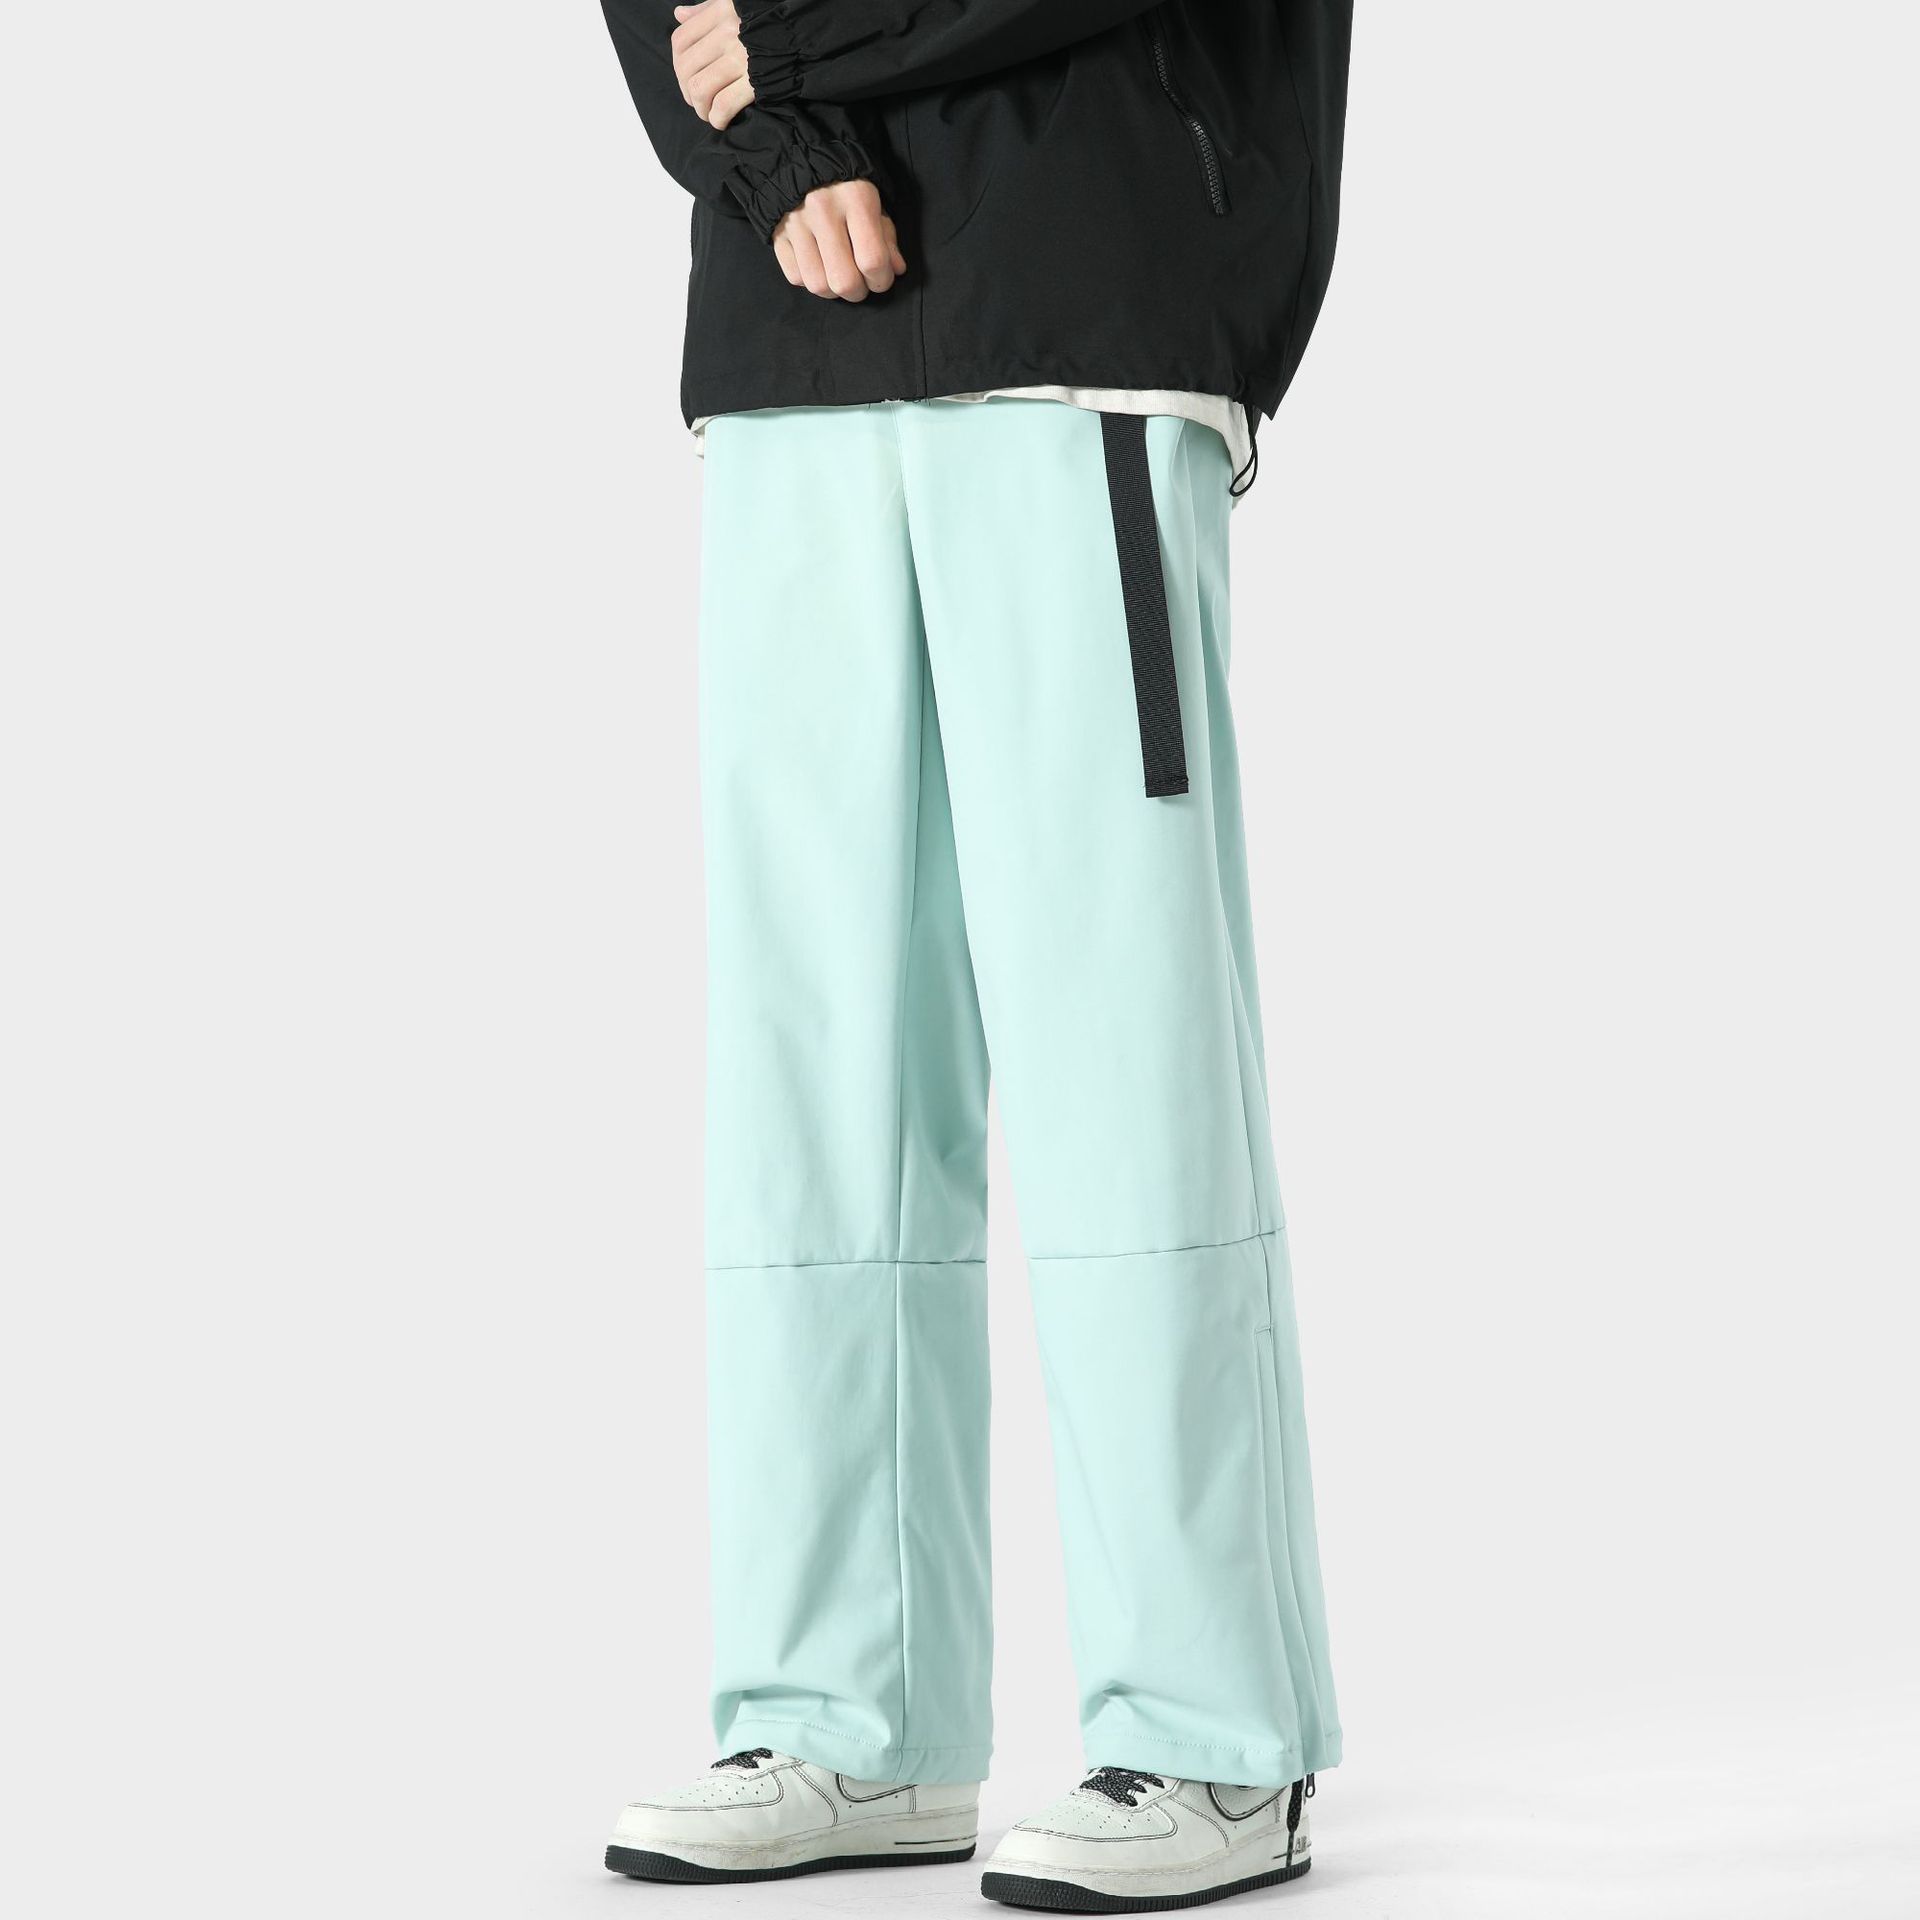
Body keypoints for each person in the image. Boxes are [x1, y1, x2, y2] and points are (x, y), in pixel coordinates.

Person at [594, 2, 1352, 1909]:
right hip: (788, 342)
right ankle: (847, 1716)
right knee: (816, 1054)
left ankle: (1213, 1737)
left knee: (1121, 1037)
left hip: (1075, 303)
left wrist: (789, 43)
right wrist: (775, 153)